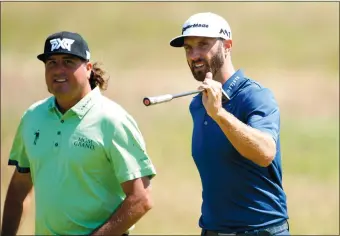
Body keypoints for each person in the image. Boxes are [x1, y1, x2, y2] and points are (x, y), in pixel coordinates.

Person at [1, 31, 157, 236]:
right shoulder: (33, 117)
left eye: (68, 61)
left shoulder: (112, 120)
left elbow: (141, 198)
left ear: (89, 69)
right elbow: (19, 189)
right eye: (51, 63)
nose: (59, 70)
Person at [169, 12, 289, 236]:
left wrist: (219, 114)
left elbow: (265, 152)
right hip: (212, 230)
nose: (194, 55)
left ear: (227, 46)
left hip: (261, 231)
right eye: (188, 48)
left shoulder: (255, 96)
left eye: (203, 45)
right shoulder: (198, 105)